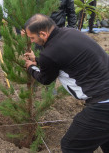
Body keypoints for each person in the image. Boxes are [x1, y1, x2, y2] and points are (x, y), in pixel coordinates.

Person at [24, 14, 109, 152]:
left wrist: (31, 67)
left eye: (33, 38)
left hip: (103, 105)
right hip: (105, 94)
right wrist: (38, 60)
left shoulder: (49, 53)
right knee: (105, 139)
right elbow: (63, 61)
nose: (33, 42)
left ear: (43, 34)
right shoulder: (71, 32)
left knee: (72, 146)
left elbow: (45, 79)